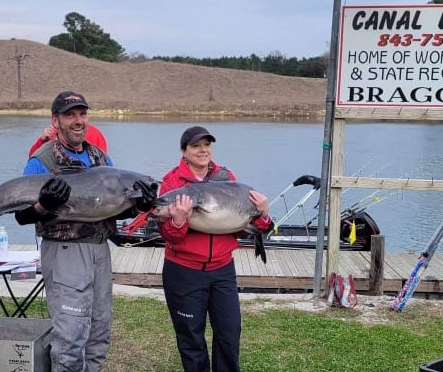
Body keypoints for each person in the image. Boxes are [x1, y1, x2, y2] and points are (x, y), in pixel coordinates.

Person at [14, 90, 157, 372]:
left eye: (82, 114)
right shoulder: (42, 160)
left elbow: (118, 208)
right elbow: (21, 216)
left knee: (99, 331)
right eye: (70, 115)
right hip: (65, 252)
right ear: (56, 121)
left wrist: (140, 205)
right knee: (70, 336)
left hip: (99, 250)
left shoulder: (100, 158)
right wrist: (43, 206)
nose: (78, 121)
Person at [156, 126, 273, 372]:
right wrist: (178, 221)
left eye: (207, 145)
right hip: (183, 271)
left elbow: (244, 227)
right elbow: (169, 236)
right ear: (184, 151)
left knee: (229, 332)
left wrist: (263, 213)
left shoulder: (227, 178)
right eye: (196, 145)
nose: (203, 150)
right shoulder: (172, 182)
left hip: (222, 269)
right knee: (191, 337)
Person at [28, 122, 108, 158]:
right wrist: (42, 140)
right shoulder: (51, 134)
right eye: (69, 114)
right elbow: (33, 158)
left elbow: (104, 164)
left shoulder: (95, 134)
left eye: (82, 114)